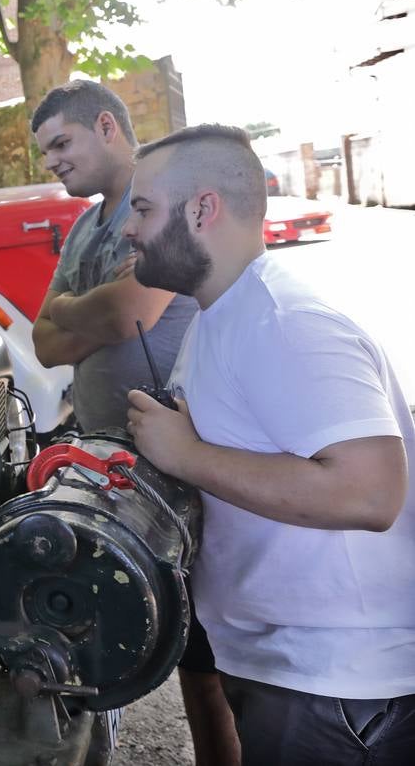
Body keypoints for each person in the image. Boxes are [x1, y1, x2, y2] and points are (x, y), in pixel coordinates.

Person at [124, 123, 415, 765]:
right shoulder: (222, 314)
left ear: (202, 208)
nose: (129, 229)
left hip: (336, 692)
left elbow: (370, 492)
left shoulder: (287, 321)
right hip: (289, 670)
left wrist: (187, 454)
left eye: (143, 208)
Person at [30, 82, 237, 766]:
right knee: (138, 640)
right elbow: (41, 339)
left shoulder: (159, 207)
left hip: (182, 456)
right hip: (111, 464)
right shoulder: (90, 226)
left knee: (210, 657)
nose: (51, 162)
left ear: (109, 128)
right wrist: (79, 310)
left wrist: (75, 310)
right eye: (45, 150)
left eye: (62, 143)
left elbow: (129, 315)